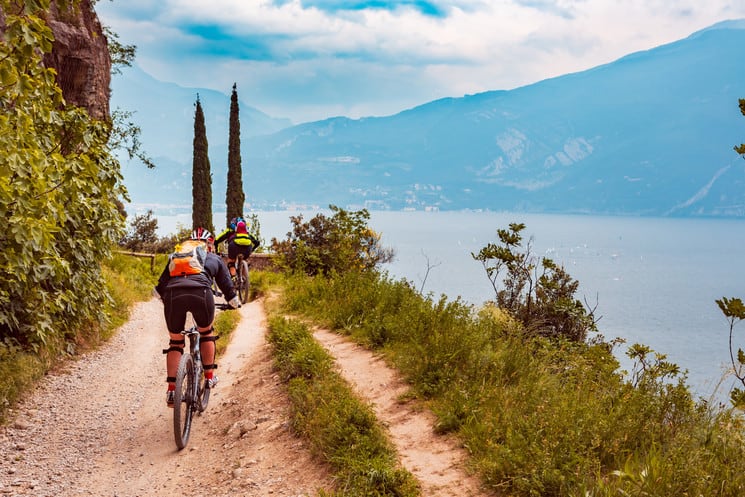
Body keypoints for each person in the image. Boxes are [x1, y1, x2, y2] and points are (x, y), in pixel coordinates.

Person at [153, 227, 241, 407]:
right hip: (200, 293)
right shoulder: (214, 258)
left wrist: (169, 301)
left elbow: (158, 290)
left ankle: (171, 391)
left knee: (176, 343)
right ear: (209, 245)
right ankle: (209, 377)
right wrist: (234, 303)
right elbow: (228, 290)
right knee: (206, 333)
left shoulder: (176, 257)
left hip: (172, 295)